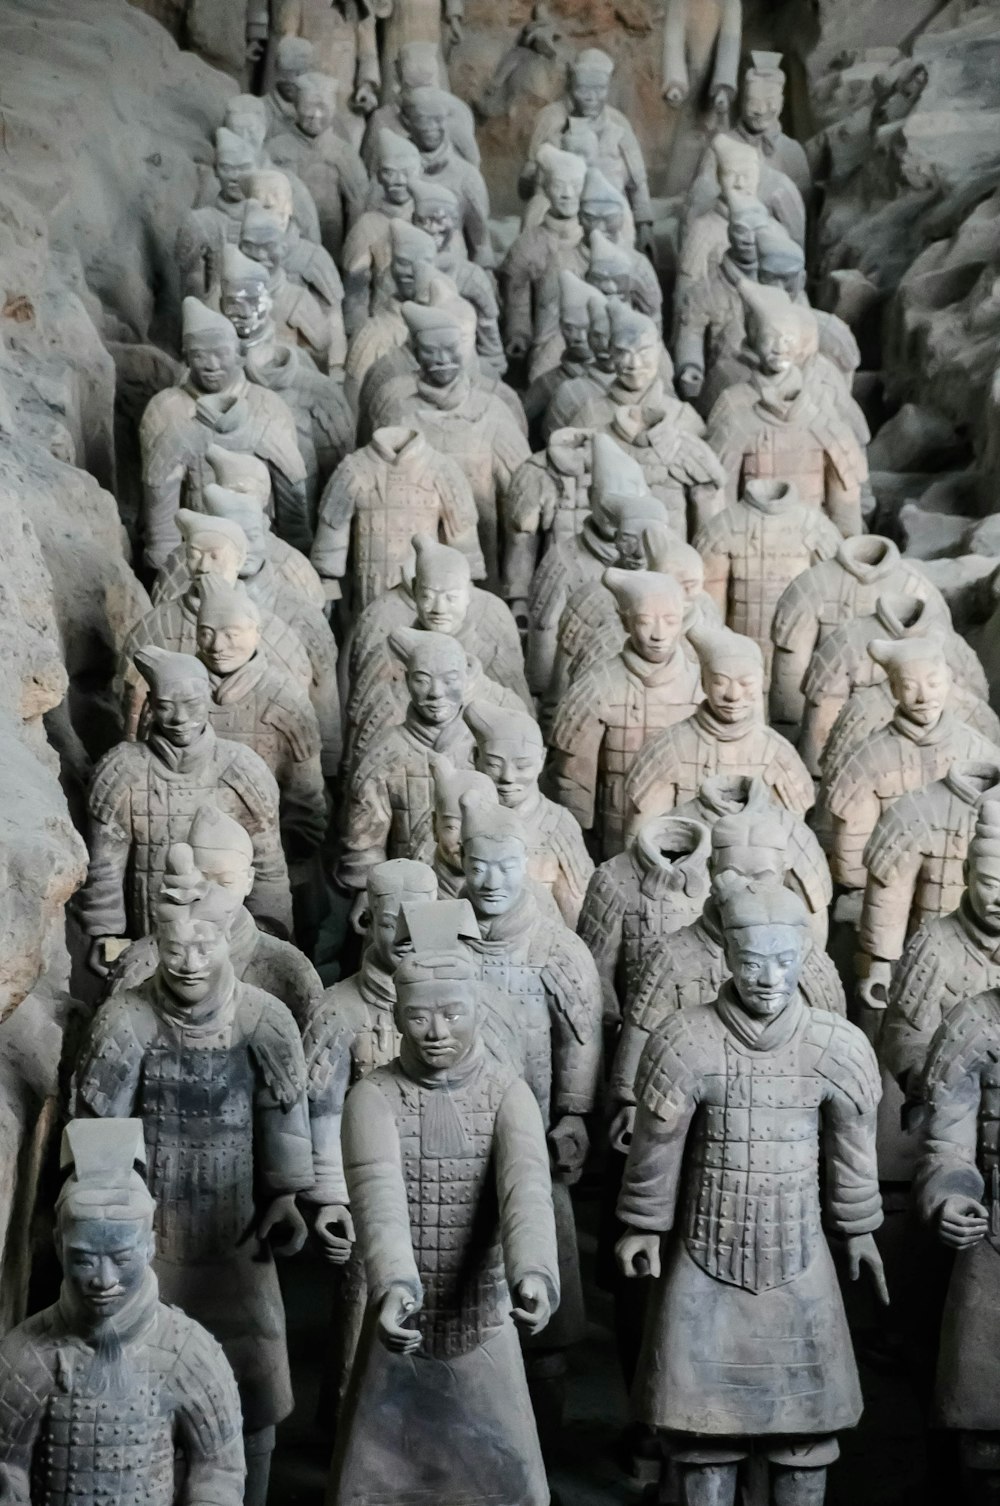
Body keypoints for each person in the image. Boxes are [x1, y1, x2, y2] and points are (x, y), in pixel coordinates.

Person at [617, 880, 885, 1506]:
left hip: (800, 1251)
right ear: (729, 957)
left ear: (804, 958)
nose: (768, 977)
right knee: (702, 1435)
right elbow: (658, 1146)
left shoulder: (836, 1045)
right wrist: (643, 1225)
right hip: (704, 1250)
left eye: (785, 960)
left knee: (805, 1435)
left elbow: (851, 1150)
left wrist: (860, 1227)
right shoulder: (684, 1040)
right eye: (754, 960)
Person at [74, 851, 314, 1506]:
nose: (187, 960)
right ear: (157, 944)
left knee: (254, 1389)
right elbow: (98, 1139)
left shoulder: (263, 1020)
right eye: (174, 946)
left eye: (202, 943)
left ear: (225, 940)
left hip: (237, 1235)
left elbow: (283, 1117)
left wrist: (287, 1195)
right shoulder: (125, 1022)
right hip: (148, 1241)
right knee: (144, 1389)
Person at [328, 923, 558, 1506]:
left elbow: (526, 1188)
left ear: (478, 1009)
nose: (435, 1033)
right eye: (419, 1016)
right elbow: (378, 1196)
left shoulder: (508, 1093)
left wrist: (533, 1272)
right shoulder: (373, 1097)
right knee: (374, 1489)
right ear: (398, 1013)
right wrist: (396, 1286)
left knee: (510, 1490)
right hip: (400, 1325)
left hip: (483, 1320)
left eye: (452, 1014)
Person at [0, 1119, 245, 1506]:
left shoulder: (188, 1353)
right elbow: (6, 1470)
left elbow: (218, 1470)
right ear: (58, 1246)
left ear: (149, 1246)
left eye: (121, 1258)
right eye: (84, 1259)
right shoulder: (24, 1355)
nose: (103, 1279)